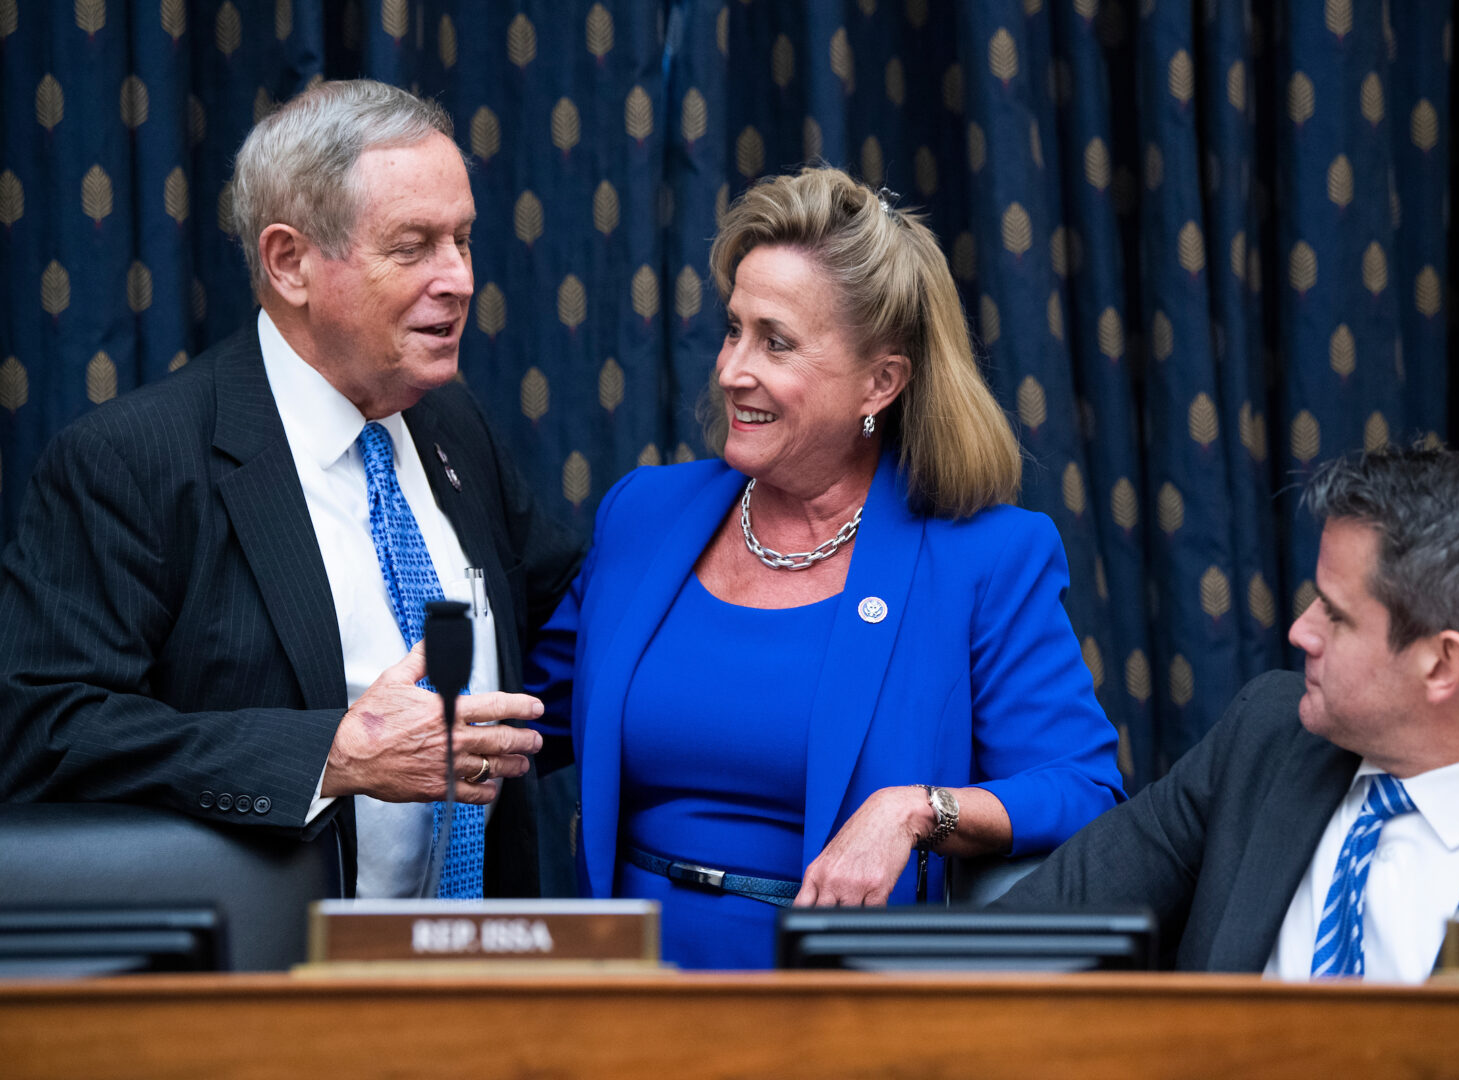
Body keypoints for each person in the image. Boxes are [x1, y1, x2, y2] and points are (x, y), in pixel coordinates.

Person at [526, 166, 1124, 969]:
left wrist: (919, 810)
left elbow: (1083, 789)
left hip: (839, 1001)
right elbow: (528, 716)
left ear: (881, 381)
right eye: (734, 329)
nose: (734, 368)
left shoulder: (982, 556)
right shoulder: (645, 515)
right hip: (622, 989)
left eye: (776, 342)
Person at [0, 80, 580, 899]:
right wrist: (333, 755)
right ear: (290, 262)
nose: (457, 279)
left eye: (463, 240)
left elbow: (571, 623)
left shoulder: (454, 426)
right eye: (413, 246)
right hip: (269, 985)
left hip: (474, 970)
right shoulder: (134, 461)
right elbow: (44, 729)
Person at [996, 446, 1459, 981]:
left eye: (1335, 613)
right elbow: (1035, 927)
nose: (1300, 632)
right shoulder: (1267, 737)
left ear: (1442, 664)